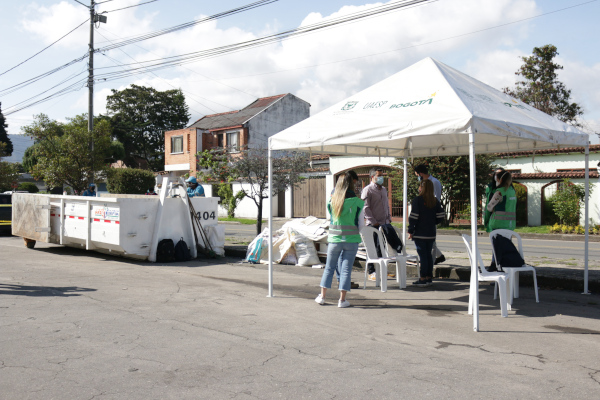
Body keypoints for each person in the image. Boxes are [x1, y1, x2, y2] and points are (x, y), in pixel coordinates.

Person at [316, 173, 364, 307]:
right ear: (352, 184)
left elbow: (331, 219)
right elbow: (361, 225)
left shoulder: (331, 202)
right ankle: (342, 300)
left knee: (329, 268)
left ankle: (322, 296)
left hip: (334, 240)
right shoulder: (358, 203)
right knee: (346, 270)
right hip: (352, 241)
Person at [361, 168, 404, 281]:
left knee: (383, 247)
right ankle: (371, 271)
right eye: (378, 175)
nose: (381, 178)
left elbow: (386, 205)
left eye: (382, 175)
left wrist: (388, 218)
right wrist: (373, 220)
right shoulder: (368, 190)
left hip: (384, 224)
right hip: (373, 224)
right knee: (372, 248)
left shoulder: (384, 189)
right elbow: (365, 208)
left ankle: (383, 269)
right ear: (372, 177)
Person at [408, 179, 445, 287]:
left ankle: (422, 278)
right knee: (428, 255)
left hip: (420, 232)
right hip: (431, 233)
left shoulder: (418, 200)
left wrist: (410, 230)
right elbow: (441, 215)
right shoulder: (434, 201)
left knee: (422, 256)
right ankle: (429, 277)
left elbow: (413, 217)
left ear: (422, 188)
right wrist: (433, 222)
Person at [331, 170, 360, 290]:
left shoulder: (334, 193)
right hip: (347, 231)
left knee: (336, 259)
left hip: (336, 230)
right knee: (343, 258)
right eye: (354, 182)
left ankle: (341, 280)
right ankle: (342, 281)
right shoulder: (349, 194)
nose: (354, 184)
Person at [485, 170, 517, 270]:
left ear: (500, 179)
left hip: (498, 224)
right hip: (510, 224)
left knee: (497, 250)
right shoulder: (512, 191)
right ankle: (504, 271)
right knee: (506, 249)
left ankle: (497, 270)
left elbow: (489, 207)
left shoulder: (499, 192)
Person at [414, 164, 445, 265]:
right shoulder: (423, 183)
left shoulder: (434, 182)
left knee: (430, 240)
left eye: (417, 175)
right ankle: (438, 257)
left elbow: (436, 199)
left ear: (421, 174)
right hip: (423, 215)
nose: (417, 177)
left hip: (430, 214)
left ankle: (431, 263)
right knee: (427, 240)